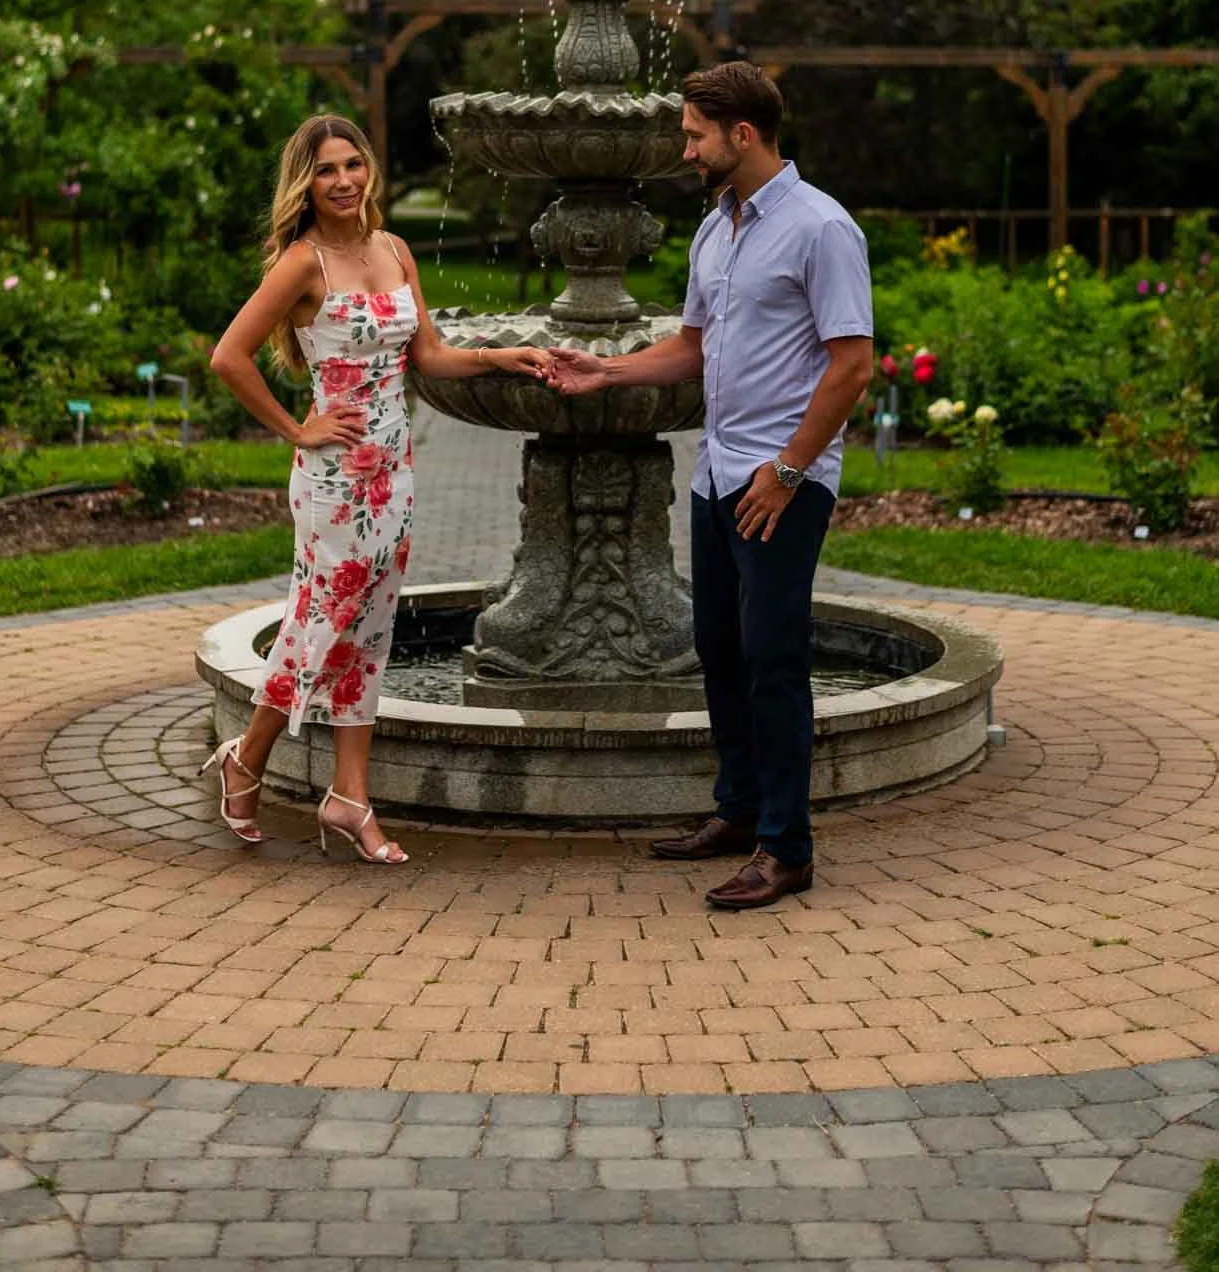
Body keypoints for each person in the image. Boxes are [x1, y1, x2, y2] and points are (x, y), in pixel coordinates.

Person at [548, 63, 873, 909]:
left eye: (694, 135)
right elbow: (691, 348)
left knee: (772, 661)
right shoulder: (716, 230)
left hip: (782, 477)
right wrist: (606, 371)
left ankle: (786, 849)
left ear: (741, 134)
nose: (683, 149)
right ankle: (735, 814)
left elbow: (851, 366)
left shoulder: (820, 228)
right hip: (719, 473)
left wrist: (789, 470)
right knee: (722, 653)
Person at [206, 114, 549, 862]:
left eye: (353, 165)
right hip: (333, 480)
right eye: (326, 170)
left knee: (369, 631)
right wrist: (297, 430)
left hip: (393, 471)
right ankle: (247, 760)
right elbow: (228, 356)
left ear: (370, 170)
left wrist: (501, 358)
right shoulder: (303, 264)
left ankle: (350, 797)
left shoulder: (393, 250)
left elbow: (427, 355)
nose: (343, 182)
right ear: (307, 182)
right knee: (319, 624)